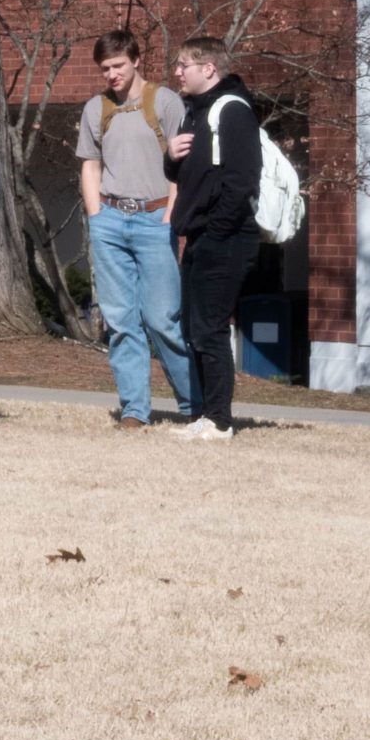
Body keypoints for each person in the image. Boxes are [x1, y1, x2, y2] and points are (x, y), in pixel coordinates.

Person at [77, 29, 197, 427]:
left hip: (155, 220)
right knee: (121, 320)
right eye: (105, 68)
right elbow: (90, 164)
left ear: (136, 60)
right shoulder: (96, 108)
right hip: (110, 220)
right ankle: (134, 410)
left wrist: (170, 214)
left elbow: (183, 165)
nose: (111, 74)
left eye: (118, 66)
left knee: (163, 320)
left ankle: (193, 405)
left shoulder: (165, 102)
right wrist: (96, 216)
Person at [165, 36, 262, 439]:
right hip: (200, 235)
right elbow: (182, 176)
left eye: (184, 64)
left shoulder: (233, 111)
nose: (176, 72)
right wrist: (170, 156)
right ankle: (205, 415)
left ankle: (219, 420)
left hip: (226, 237)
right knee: (193, 328)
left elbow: (242, 181)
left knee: (210, 327)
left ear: (209, 69)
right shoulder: (194, 113)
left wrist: (217, 231)